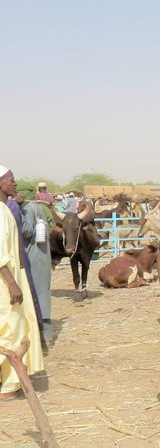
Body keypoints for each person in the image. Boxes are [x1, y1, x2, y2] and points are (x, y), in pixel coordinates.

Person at [0, 165, 44, 399]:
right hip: (5, 279)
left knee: (13, 326)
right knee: (9, 328)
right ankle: (7, 387)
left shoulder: (7, 208)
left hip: (13, 274)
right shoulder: (0, 211)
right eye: (10, 179)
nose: (14, 183)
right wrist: (11, 282)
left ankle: (9, 382)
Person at [16, 184, 53, 343]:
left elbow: (27, 231)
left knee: (35, 293)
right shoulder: (41, 208)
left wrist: (16, 212)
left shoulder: (28, 209)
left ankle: (41, 337)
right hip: (43, 256)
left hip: (31, 257)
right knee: (43, 292)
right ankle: (47, 336)